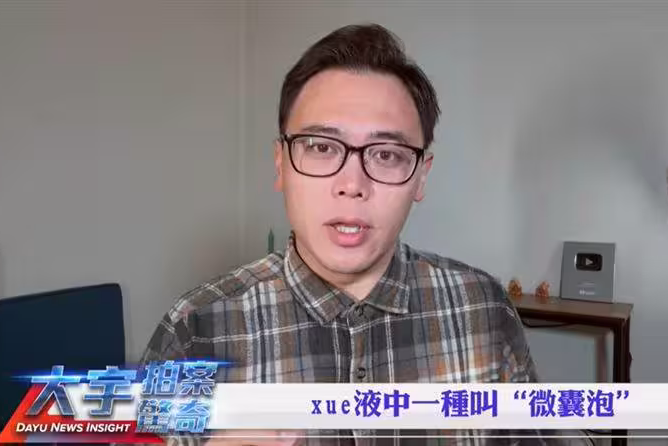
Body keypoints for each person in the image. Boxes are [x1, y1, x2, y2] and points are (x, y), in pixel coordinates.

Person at [143, 23, 563, 446]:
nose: (352, 184)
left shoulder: (484, 310)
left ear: (421, 177)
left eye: (386, 155)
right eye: (321, 147)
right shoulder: (196, 329)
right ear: (280, 164)